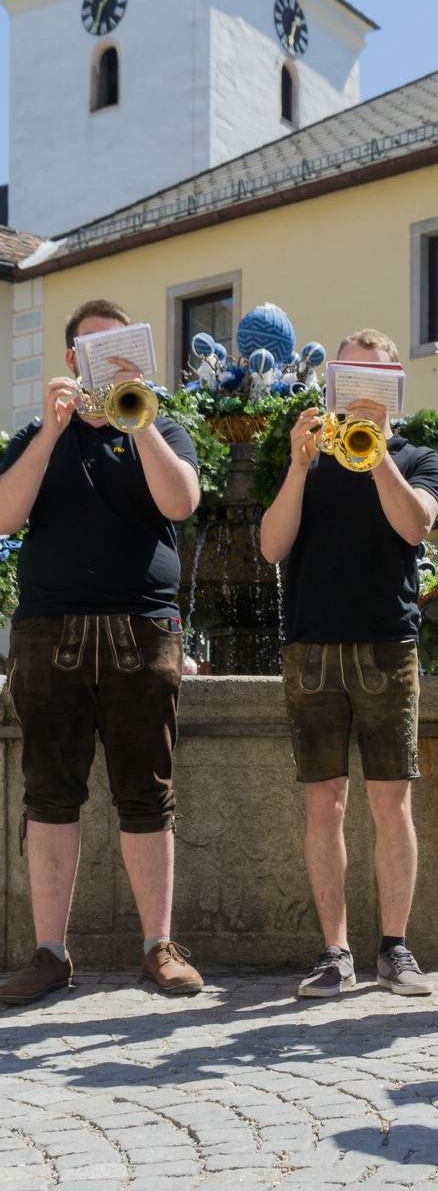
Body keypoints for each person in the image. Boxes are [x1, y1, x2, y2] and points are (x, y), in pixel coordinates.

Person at [0, 299, 203, 1004]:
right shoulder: (36, 435)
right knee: (50, 794)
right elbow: (3, 515)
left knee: (148, 792)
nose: (103, 362)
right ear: (69, 362)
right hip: (48, 631)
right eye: (91, 351)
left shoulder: (161, 424)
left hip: (142, 630)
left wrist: (138, 419)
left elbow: (181, 503)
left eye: (118, 350)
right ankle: (50, 953)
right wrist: (51, 432)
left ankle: (159, 946)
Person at [259, 328, 438, 999]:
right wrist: (300, 466)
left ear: (394, 385)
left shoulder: (419, 457)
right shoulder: (310, 458)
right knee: (323, 807)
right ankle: (335, 952)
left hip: (386, 645)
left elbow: (415, 526)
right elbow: (272, 546)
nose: (362, 393)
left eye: (375, 380)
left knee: (391, 805)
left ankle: (394, 949)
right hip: (310, 647)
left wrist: (377, 456)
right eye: (351, 379)